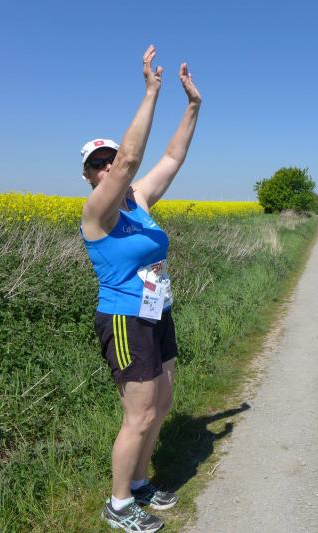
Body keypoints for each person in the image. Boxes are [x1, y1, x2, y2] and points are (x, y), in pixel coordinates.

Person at [80, 44, 201, 532]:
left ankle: (139, 481)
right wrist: (152, 91)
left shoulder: (139, 201)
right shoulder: (97, 213)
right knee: (140, 414)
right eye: (99, 164)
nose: (109, 167)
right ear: (89, 176)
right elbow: (132, 158)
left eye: (110, 158)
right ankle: (118, 503)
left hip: (156, 311)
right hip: (125, 319)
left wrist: (193, 106)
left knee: (162, 404)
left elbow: (171, 156)